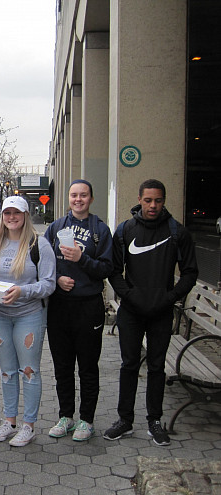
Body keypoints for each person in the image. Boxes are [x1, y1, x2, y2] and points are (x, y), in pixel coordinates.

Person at [104, 179, 198, 446]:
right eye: (148, 200)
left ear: (164, 201)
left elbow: (190, 273)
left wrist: (169, 298)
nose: (153, 205)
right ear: (140, 199)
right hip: (131, 312)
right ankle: (125, 420)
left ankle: (154, 421)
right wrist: (130, 296)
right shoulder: (125, 230)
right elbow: (113, 270)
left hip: (161, 311)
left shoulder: (177, 232)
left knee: (157, 367)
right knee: (129, 365)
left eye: (158, 200)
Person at [0, 196, 56, 447]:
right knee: (6, 372)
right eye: (7, 213)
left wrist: (22, 292)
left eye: (17, 213)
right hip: (1, 315)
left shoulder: (40, 245)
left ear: (25, 215)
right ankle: (9, 420)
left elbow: (49, 283)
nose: (11, 217)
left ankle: (29, 425)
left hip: (29, 315)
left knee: (29, 370)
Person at [43, 180, 113, 442]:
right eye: (74, 195)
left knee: (87, 366)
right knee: (62, 366)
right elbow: (42, 263)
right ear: (68, 198)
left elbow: (107, 268)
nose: (78, 199)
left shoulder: (100, 230)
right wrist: (58, 278)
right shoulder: (55, 227)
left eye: (83, 195)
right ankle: (65, 416)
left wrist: (81, 259)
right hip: (59, 307)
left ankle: (87, 419)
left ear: (91, 199)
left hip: (88, 306)